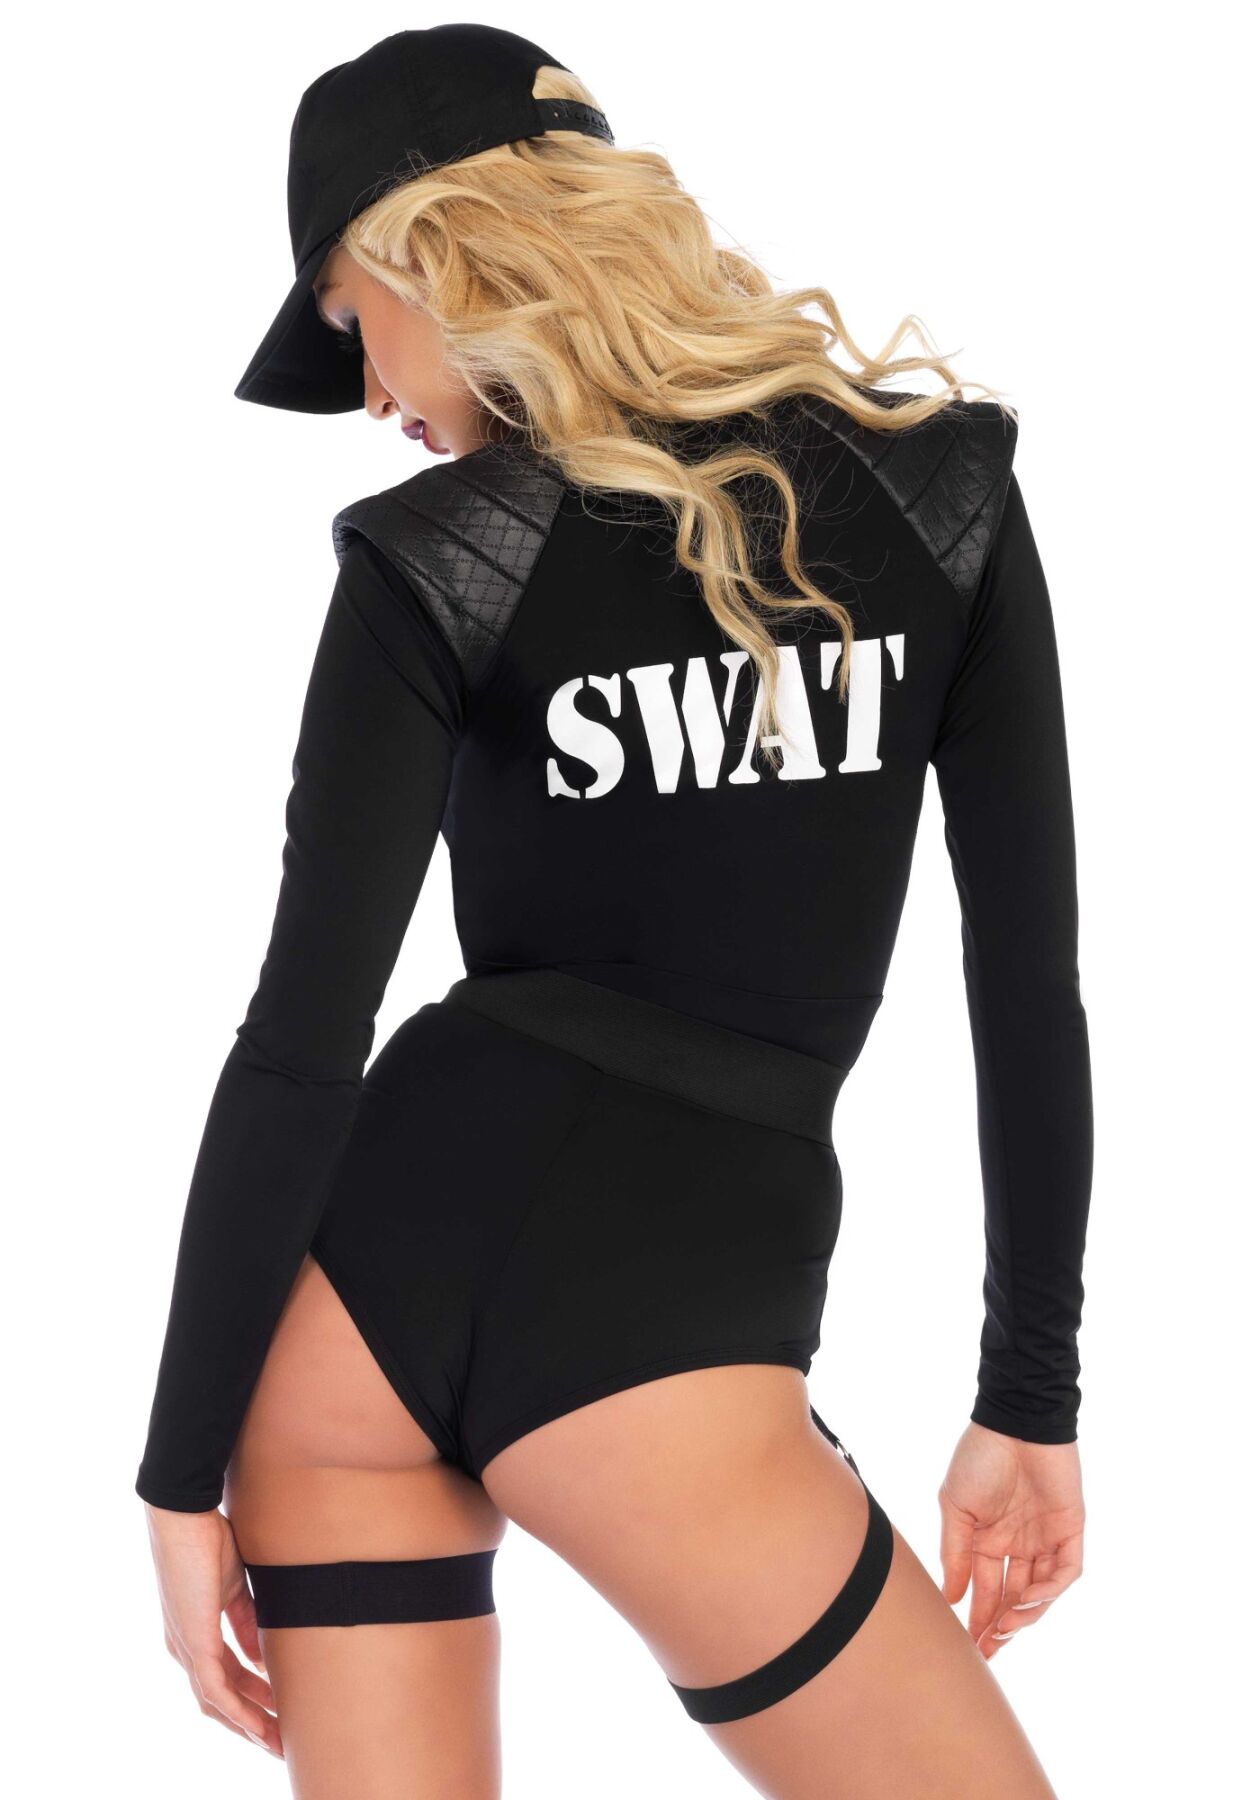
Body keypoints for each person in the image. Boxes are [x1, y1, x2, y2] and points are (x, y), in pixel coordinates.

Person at [135, 23, 1093, 1798]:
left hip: (352, 1335)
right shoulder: (938, 496)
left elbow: (303, 1043)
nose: (372, 396)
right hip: (653, 1323)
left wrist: (184, 1472)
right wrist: (1030, 1392)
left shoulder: (444, 557)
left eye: (353, 322)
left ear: (442, 257)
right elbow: (1026, 985)